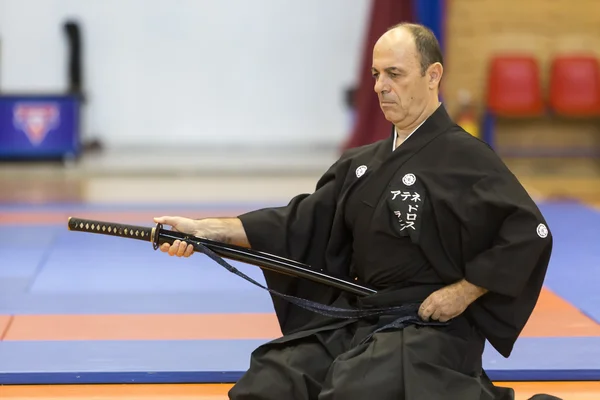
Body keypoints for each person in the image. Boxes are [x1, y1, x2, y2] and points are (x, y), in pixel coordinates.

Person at [154, 23, 556, 400]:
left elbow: (529, 233)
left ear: (433, 76)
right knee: (271, 379)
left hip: (429, 328)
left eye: (395, 74)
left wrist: (464, 291)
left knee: (355, 388)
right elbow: (299, 224)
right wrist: (206, 231)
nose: (381, 87)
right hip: (361, 317)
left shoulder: (468, 159)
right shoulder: (361, 163)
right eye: (377, 74)